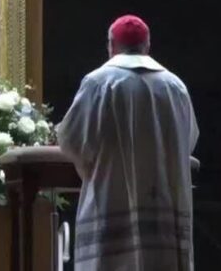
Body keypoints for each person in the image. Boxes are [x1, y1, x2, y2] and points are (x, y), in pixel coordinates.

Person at [56, 15, 199, 271]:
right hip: (162, 209)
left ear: (111, 46)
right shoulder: (175, 87)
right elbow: (188, 141)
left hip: (112, 198)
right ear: (147, 46)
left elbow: (72, 140)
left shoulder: (99, 82)